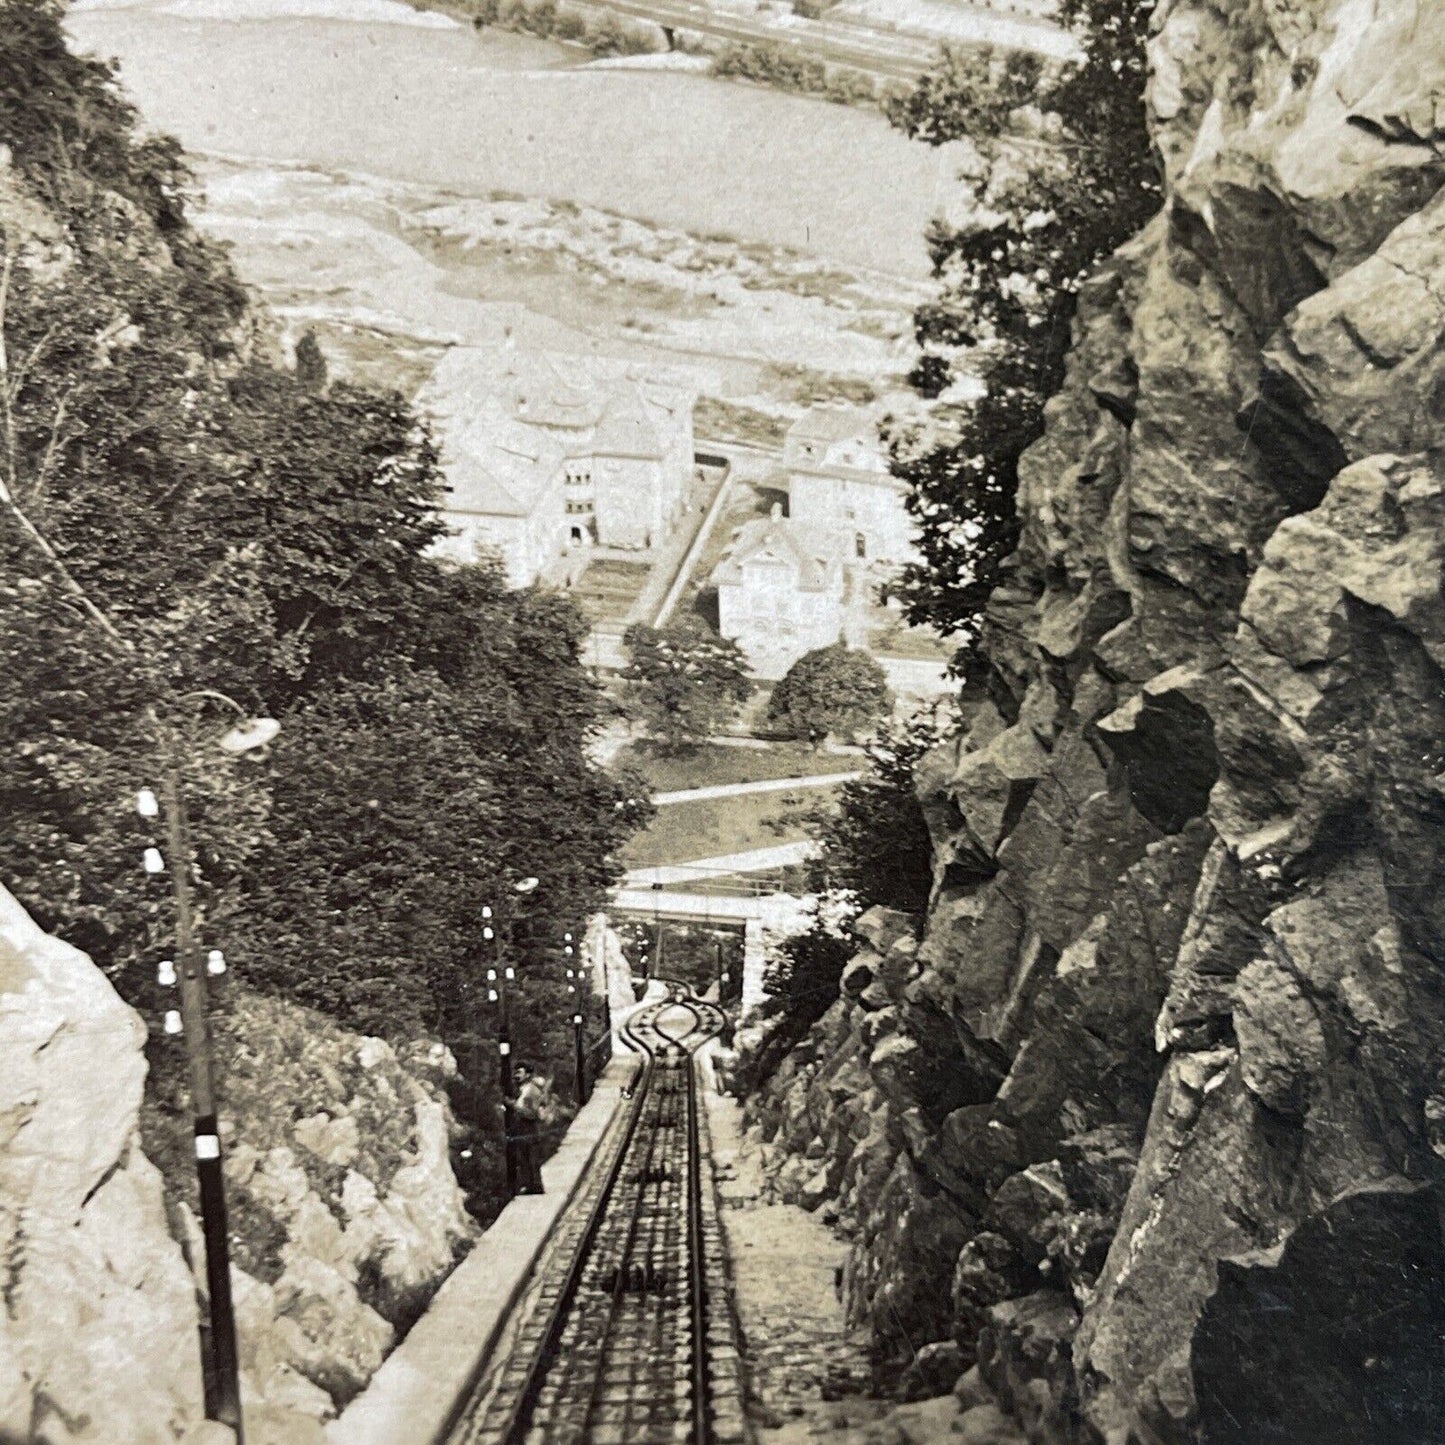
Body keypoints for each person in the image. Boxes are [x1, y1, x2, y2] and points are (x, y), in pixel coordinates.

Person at [512, 1065, 546, 1195]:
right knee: (523, 1158)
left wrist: (514, 1106)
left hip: (530, 1128)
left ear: (527, 1075)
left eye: (519, 1072)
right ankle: (528, 1185)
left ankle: (536, 1186)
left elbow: (532, 1113)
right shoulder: (520, 1089)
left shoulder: (532, 1090)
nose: (516, 1075)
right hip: (521, 1129)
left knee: (531, 1158)